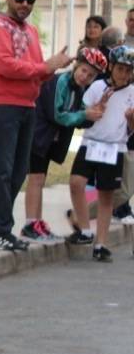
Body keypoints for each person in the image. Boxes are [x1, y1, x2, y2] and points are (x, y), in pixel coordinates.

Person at [0, 0, 71, 253]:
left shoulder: (30, 30)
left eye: (30, 1)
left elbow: (38, 72)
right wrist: (44, 66)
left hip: (28, 105)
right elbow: (6, 66)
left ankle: (0, 229)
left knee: (18, 171)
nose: (24, 5)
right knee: (3, 169)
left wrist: (54, 67)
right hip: (2, 104)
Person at [22, 47, 106, 243]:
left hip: (50, 139)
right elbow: (58, 115)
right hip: (38, 135)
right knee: (35, 178)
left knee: (40, 179)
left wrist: (93, 115)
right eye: (84, 70)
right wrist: (85, 115)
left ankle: (36, 222)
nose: (85, 77)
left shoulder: (79, 88)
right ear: (76, 65)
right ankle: (30, 224)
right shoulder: (60, 81)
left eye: (91, 75)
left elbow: (78, 115)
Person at [67, 45, 134, 261]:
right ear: (111, 67)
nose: (124, 74)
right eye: (120, 69)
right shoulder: (97, 87)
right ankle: (86, 230)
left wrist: (131, 118)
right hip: (91, 143)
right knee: (76, 182)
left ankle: (101, 243)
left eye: (128, 70)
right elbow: (84, 114)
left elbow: (131, 128)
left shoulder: (132, 93)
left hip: (114, 147)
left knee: (106, 195)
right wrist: (98, 107)